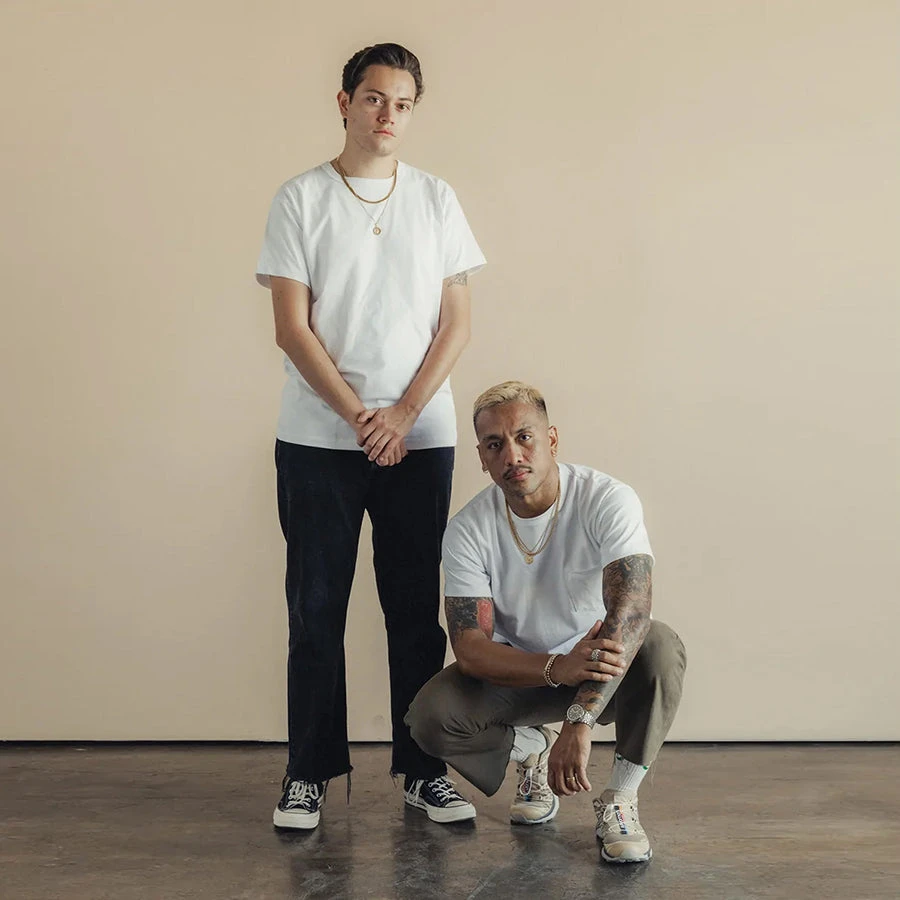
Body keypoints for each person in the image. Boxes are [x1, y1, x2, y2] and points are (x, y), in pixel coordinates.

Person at [255, 43, 486, 830]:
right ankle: (308, 774)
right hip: (319, 439)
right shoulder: (301, 199)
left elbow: (456, 323)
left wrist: (404, 414)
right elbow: (292, 328)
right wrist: (363, 417)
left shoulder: (436, 199)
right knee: (315, 609)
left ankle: (424, 772)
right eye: (375, 98)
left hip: (419, 438)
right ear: (345, 103)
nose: (389, 114)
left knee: (414, 609)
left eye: (403, 103)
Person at [405, 381, 687, 862]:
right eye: (495, 444)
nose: (512, 455)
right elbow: (470, 647)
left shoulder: (606, 499)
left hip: (602, 671)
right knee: (431, 717)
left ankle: (620, 800)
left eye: (524, 437)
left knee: (660, 646)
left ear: (551, 439)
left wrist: (579, 720)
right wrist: (557, 667)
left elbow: (633, 611)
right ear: (482, 457)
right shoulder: (468, 529)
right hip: (525, 673)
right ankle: (531, 749)